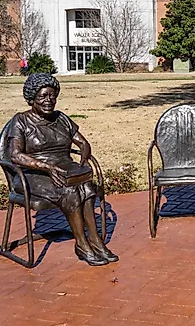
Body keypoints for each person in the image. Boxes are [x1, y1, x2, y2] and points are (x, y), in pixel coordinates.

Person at [8, 73, 118, 266]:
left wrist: (83, 159)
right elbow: (15, 155)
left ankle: (95, 241)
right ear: (32, 98)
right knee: (70, 193)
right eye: (43, 96)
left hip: (64, 170)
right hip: (34, 175)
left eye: (52, 96)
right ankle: (82, 244)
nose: (48, 100)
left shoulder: (61, 119)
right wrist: (47, 167)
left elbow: (82, 142)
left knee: (88, 189)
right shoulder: (21, 121)